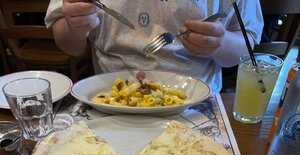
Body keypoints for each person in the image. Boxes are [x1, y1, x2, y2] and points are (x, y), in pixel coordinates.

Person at [45, 0, 264, 92]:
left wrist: (220, 43)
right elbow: (69, 46)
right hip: (110, 97)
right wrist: (75, 27)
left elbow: (245, 44)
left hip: (196, 101)